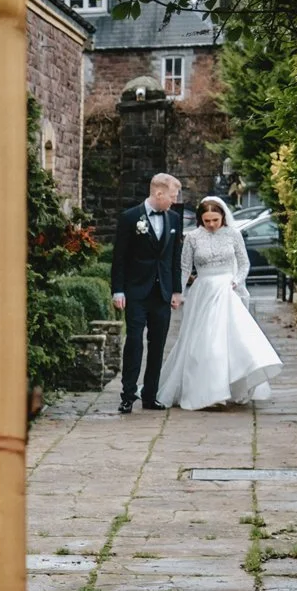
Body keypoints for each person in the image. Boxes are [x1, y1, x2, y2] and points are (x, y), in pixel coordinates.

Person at [155, 196, 284, 410]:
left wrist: (236, 281)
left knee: (231, 340)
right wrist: (177, 292)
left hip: (226, 290)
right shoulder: (193, 238)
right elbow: (185, 267)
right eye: (207, 221)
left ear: (223, 217)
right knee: (202, 341)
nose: (212, 224)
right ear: (201, 220)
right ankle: (207, 390)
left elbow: (244, 263)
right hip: (203, 291)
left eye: (215, 219)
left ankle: (232, 385)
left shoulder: (233, 235)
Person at [109, 172, 185, 413]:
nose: (175, 201)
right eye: (172, 196)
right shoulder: (130, 218)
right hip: (136, 291)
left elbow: (174, 257)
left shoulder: (174, 218)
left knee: (158, 343)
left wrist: (176, 290)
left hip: (162, 292)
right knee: (134, 342)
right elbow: (119, 257)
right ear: (158, 193)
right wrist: (118, 290)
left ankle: (150, 395)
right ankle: (127, 395)